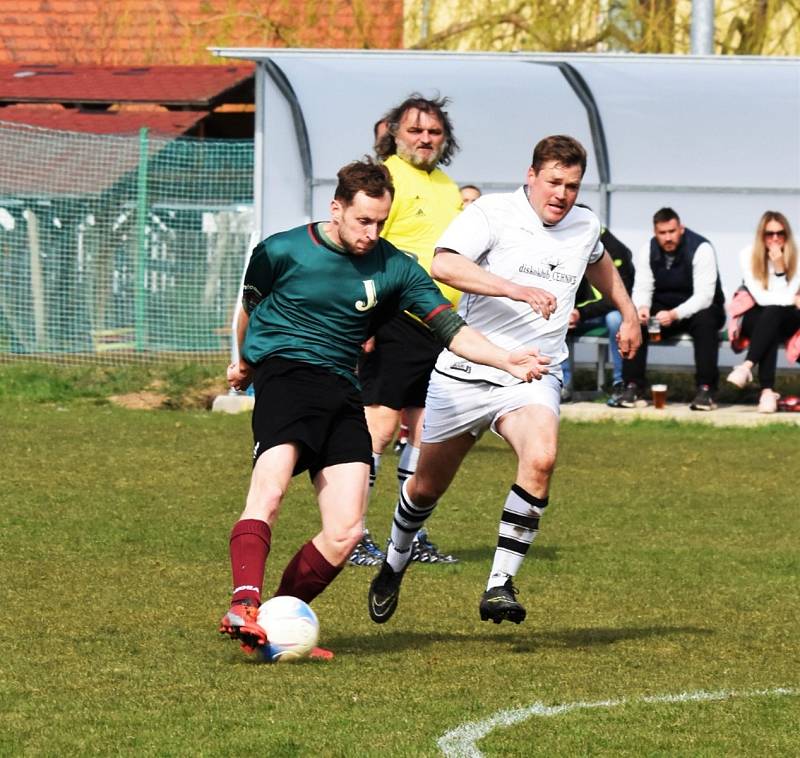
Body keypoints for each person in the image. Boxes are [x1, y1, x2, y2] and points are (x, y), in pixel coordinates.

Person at [219, 158, 550, 658]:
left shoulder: (395, 268)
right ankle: (243, 603)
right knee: (269, 493)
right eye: (362, 221)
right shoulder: (281, 251)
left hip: (342, 391)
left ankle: (274, 623)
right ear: (337, 208)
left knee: (347, 532)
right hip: (286, 378)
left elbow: (451, 330)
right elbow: (249, 308)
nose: (371, 233)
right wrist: (243, 364)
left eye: (381, 222)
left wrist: (506, 358)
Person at [367, 135, 640, 626]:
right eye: (553, 181)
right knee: (427, 487)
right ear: (531, 175)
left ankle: (499, 583)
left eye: (572, 186)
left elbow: (598, 261)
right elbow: (443, 264)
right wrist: (516, 289)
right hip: (468, 371)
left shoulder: (585, 224)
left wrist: (628, 311)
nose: (562, 194)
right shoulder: (491, 213)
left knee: (542, 457)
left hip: (534, 371)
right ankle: (395, 559)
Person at [350, 94, 464, 567]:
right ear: (393, 133)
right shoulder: (387, 179)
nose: (425, 139)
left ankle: (409, 538)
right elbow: (361, 249)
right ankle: (352, 533)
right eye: (415, 130)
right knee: (377, 429)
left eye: (434, 132)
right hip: (393, 318)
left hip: (437, 325)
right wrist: (364, 320)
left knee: (425, 431)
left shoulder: (449, 186)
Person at [617, 207, 726, 411]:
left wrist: (675, 314)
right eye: (662, 233)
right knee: (635, 322)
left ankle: (706, 390)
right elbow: (642, 287)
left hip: (698, 309)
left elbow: (704, 296)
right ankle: (632, 387)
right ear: (655, 233)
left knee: (706, 320)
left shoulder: (701, 248)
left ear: (681, 229)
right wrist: (642, 308)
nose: (668, 237)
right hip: (663, 310)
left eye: (672, 231)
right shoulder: (648, 249)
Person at [726, 211, 800, 413]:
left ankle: (747, 368)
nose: (775, 239)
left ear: (787, 234)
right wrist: (791, 297)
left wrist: (779, 268)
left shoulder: (797, 255)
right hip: (757, 314)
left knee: (774, 315)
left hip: (788, 317)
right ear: (761, 235)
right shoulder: (747, 255)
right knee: (770, 319)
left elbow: (786, 299)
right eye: (769, 234)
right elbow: (762, 298)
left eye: (780, 233)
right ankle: (767, 392)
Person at [561, 215, 635, 404]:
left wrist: (580, 312)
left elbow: (618, 298)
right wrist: (570, 311)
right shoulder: (565, 247)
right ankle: (562, 384)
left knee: (615, 319)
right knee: (559, 318)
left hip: (602, 313)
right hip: (581, 314)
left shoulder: (617, 252)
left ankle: (621, 382)